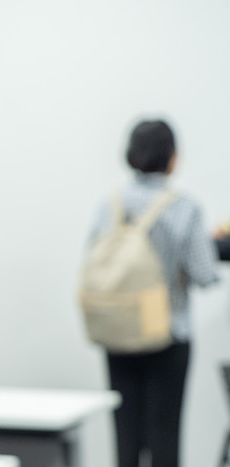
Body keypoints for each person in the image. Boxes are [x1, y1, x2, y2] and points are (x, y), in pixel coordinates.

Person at [86, 119, 219, 467]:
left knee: (125, 438)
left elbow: (92, 258)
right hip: (167, 333)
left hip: (117, 330)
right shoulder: (183, 207)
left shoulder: (109, 203)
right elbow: (204, 274)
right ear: (172, 157)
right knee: (165, 437)